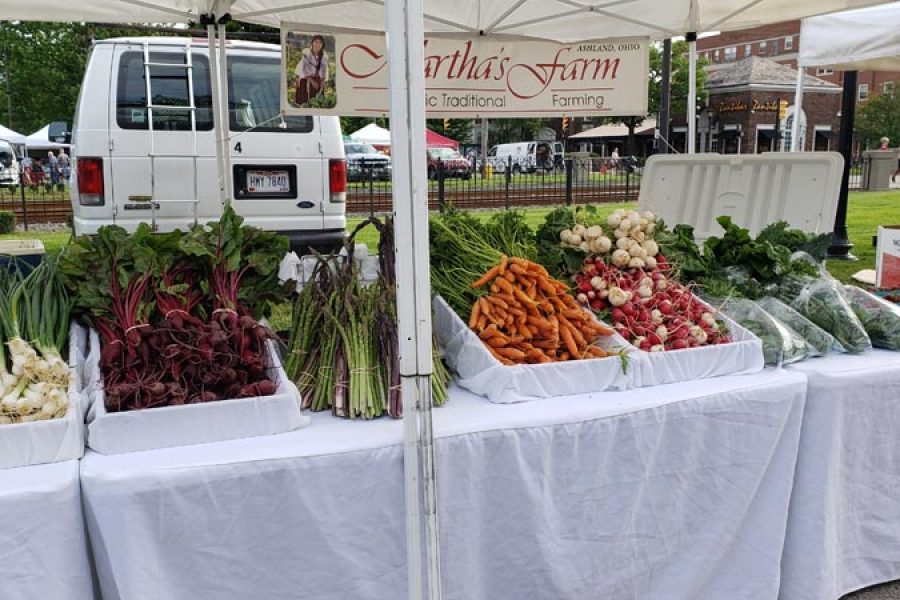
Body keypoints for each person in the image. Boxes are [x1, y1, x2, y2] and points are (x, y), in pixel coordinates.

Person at [294, 35, 329, 106]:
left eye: (320, 43)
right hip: (306, 78)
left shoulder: (324, 56)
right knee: (304, 101)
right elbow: (304, 69)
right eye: (316, 42)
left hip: (317, 78)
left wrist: (322, 82)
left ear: (322, 45)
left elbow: (323, 69)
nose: (318, 44)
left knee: (317, 99)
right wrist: (312, 81)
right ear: (312, 43)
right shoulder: (306, 53)